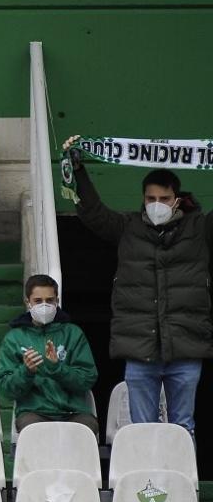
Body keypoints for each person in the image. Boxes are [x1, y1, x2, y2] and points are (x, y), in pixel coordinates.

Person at [65, 138, 213, 437]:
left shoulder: (200, 229)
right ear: (143, 198)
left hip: (185, 347)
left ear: (178, 199)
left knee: (183, 428)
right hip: (139, 349)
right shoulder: (128, 227)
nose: (156, 204)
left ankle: (183, 485)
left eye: (164, 198)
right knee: (142, 431)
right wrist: (78, 169)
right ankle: (145, 484)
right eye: (150, 198)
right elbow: (93, 213)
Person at [0, 273, 98, 434]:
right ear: (27, 302)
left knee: (84, 431)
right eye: (38, 301)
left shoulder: (73, 334)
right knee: (36, 433)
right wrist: (26, 371)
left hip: (74, 412)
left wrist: (58, 368)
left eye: (49, 300)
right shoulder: (14, 338)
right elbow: (6, 389)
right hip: (34, 412)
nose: (44, 305)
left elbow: (87, 379)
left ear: (57, 301)